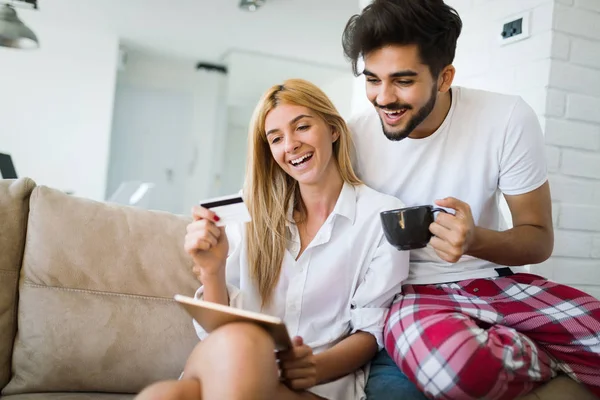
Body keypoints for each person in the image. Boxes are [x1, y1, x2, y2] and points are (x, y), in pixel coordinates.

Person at [340, 1, 600, 399]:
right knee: (457, 372)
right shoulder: (353, 137)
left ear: (444, 78)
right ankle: (544, 361)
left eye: (403, 81)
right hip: (408, 294)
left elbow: (538, 238)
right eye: (372, 79)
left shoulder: (506, 117)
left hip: (492, 284)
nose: (383, 98)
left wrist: (474, 239)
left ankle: (525, 353)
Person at [135, 78, 409, 400]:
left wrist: (315, 367)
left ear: (333, 130)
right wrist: (212, 269)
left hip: (317, 383)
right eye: (275, 138)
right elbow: (217, 328)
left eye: (302, 127)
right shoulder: (249, 212)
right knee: (211, 365)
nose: (290, 145)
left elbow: (370, 330)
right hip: (228, 361)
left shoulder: (382, 216)